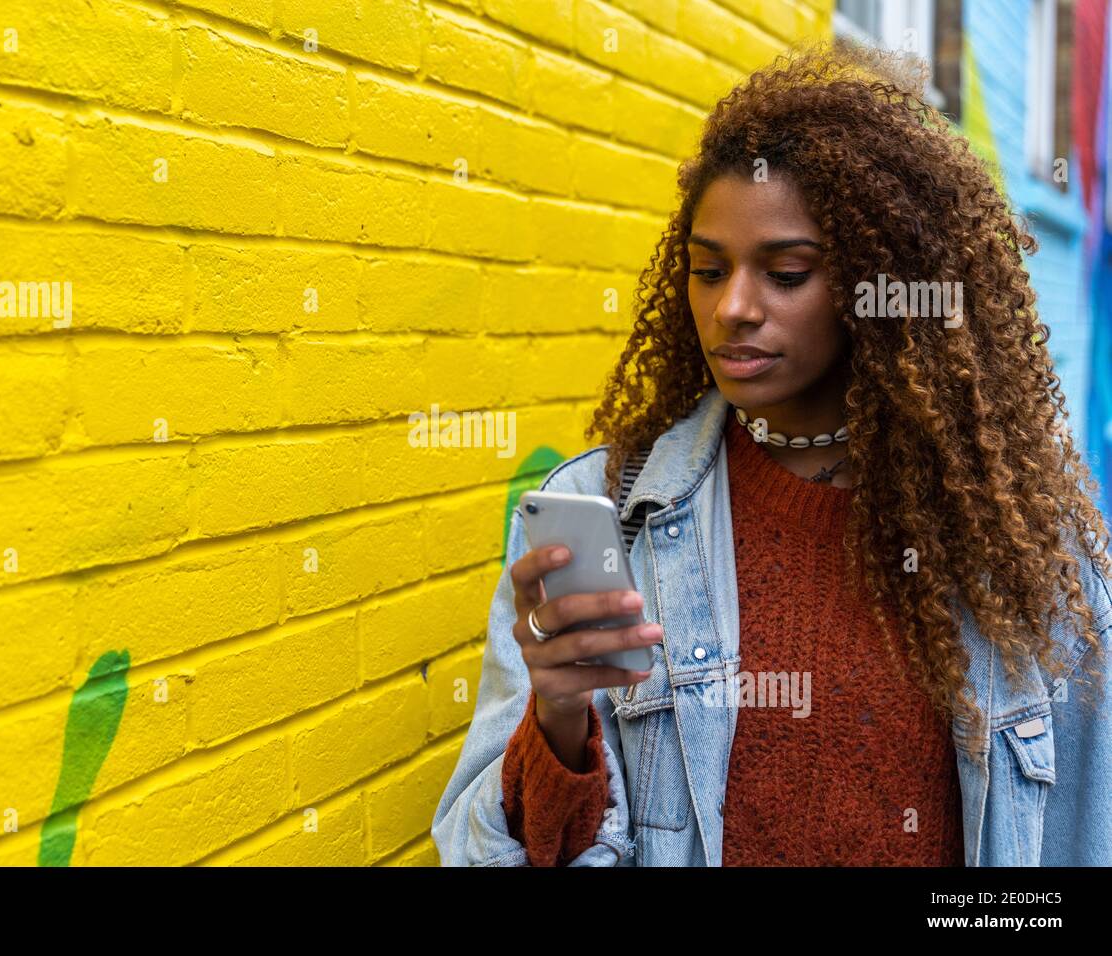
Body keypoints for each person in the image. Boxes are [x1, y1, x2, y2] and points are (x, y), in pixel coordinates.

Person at [432, 39, 1112, 867]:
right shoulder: (610, 516)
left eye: (786, 273)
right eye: (707, 271)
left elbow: (1082, 833)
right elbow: (486, 853)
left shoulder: (1018, 544)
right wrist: (556, 724)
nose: (734, 309)